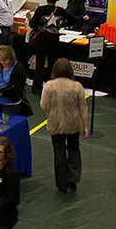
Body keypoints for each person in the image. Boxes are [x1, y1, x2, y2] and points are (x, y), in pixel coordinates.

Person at [40, 58, 88, 193]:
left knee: (59, 151)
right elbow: (83, 108)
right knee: (74, 149)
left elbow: (43, 105)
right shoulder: (77, 86)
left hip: (55, 124)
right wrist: (85, 126)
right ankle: (73, 177)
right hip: (72, 124)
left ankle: (62, 183)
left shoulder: (49, 86)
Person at [28, 0, 69, 95]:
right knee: (53, 63)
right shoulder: (60, 10)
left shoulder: (40, 10)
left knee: (39, 63)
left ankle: (37, 88)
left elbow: (32, 24)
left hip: (41, 38)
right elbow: (72, 19)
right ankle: (52, 87)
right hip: (54, 38)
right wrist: (60, 25)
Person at [0, 45, 28, 116]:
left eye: (5, 60)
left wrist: (3, 94)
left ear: (11, 58)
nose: (2, 62)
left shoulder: (18, 68)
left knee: (8, 125)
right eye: (0, 60)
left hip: (11, 104)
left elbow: (18, 88)